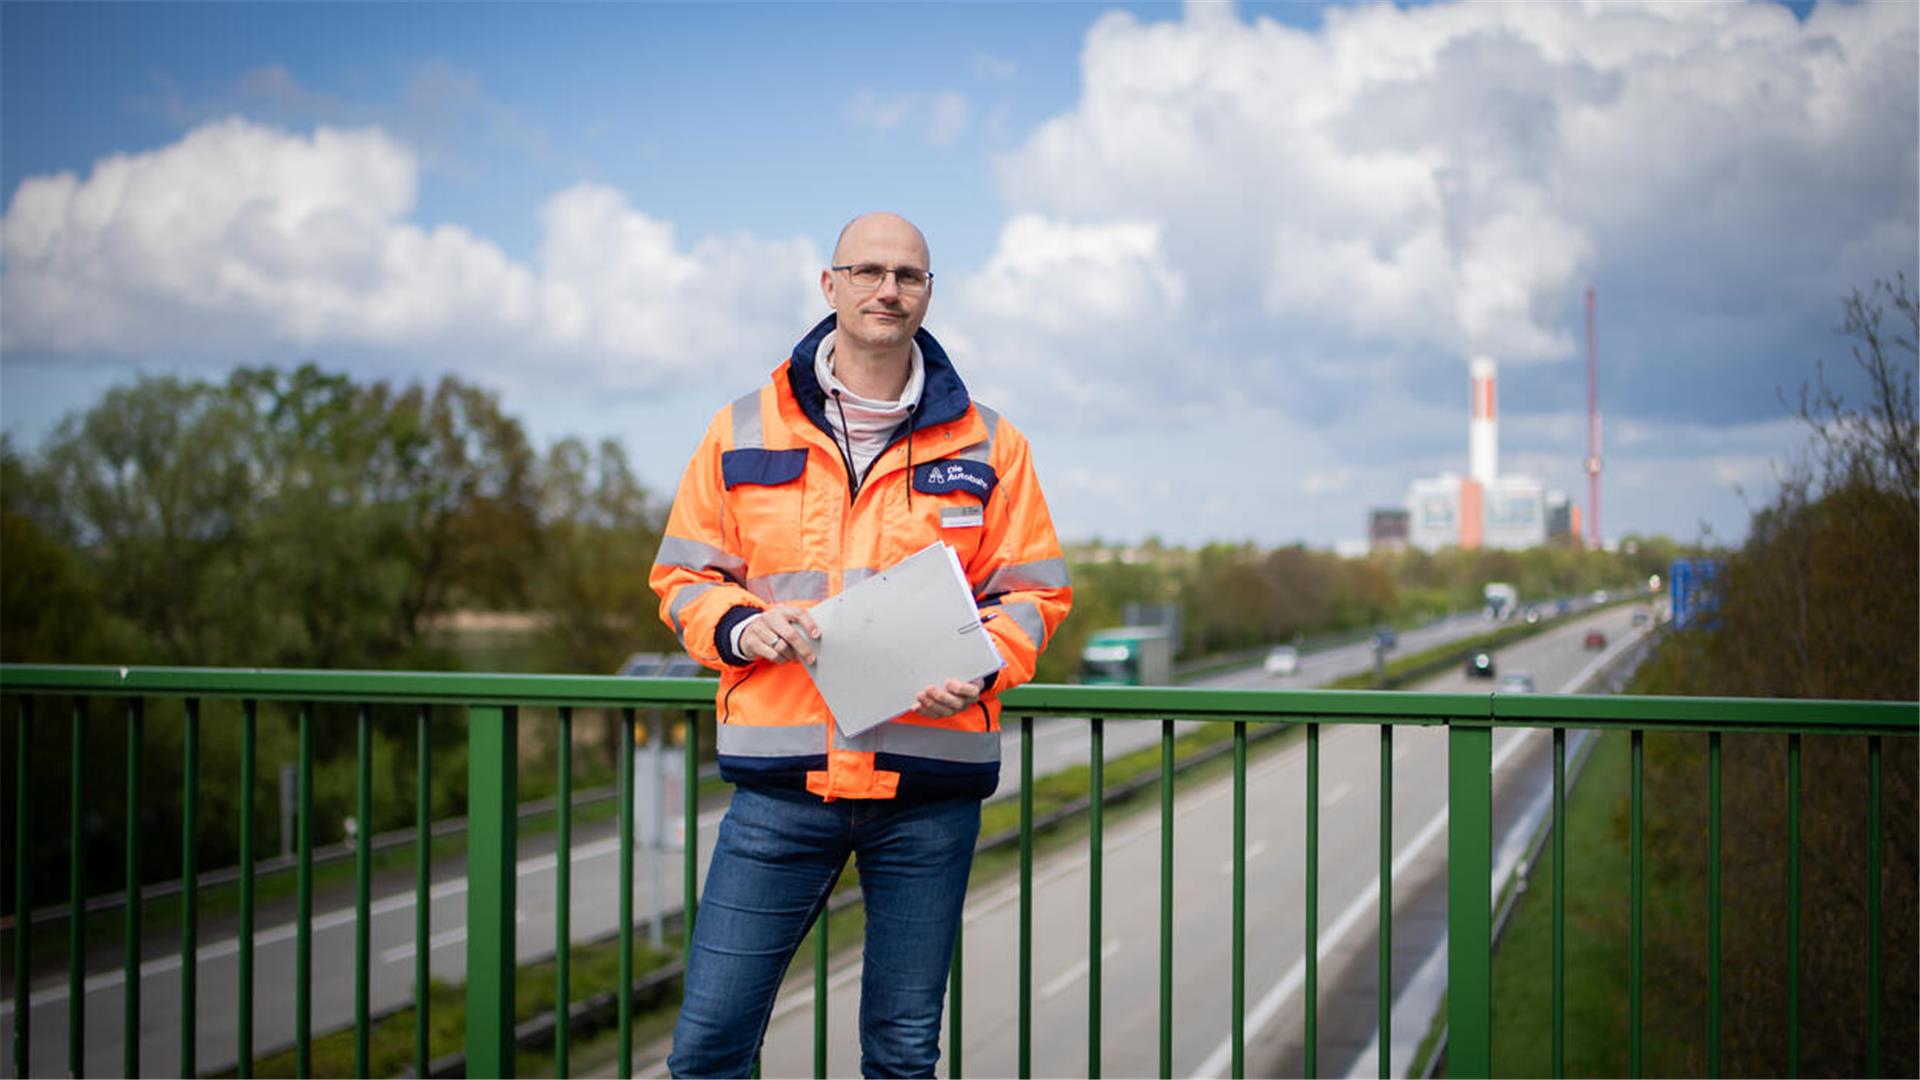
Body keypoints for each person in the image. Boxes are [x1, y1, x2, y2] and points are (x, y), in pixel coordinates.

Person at [650, 211, 1072, 1078]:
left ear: (928, 294)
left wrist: (981, 662)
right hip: (781, 789)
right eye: (868, 270)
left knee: (903, 1054)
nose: (888, 289)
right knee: (706, 1049)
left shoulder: (992, 444)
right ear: (829, 285)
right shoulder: (740, 429)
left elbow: (1032, 595)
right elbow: (684, 578)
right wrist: (739, 625)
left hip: (928, 791)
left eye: (908, 275)